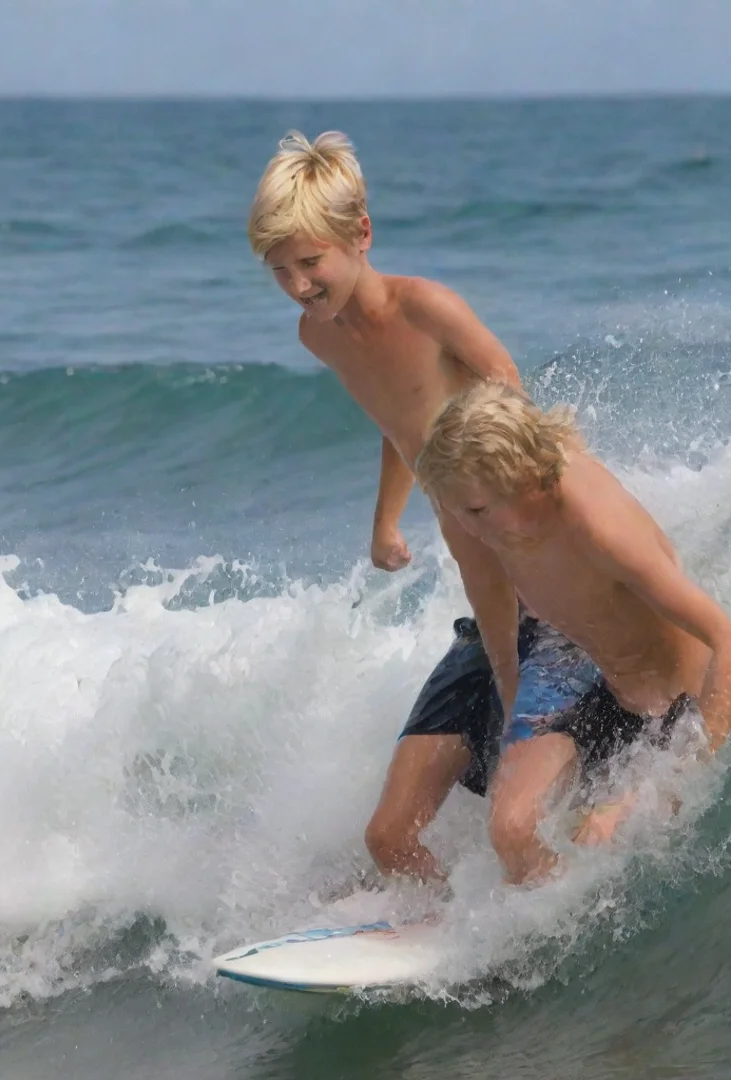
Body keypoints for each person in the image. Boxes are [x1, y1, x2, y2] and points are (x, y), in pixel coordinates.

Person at [248, 130, 552, 887]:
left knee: (517, 819)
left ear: (361, 236)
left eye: (310, 263)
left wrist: (512, 519)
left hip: (534, 596)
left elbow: (509, 393)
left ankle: (547, 917)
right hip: (484, 620)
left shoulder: (427, 309)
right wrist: (387, 520)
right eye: (279, 270)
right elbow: (400, 422)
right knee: (388, 839)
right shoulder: (320, 337)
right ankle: (459, 936)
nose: (298, 286)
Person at [414, 381, 731, 885]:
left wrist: (669, 784)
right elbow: (495, 618)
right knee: (511, 830)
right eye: (457, 510)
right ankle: (537, 937)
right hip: (610, 695)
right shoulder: (498, 522)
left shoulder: (596, 527)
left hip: (675, 713)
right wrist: (515, 720)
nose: (465, 526)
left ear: (521, 478)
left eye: (476, 510)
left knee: (601, 833)